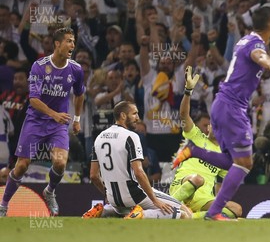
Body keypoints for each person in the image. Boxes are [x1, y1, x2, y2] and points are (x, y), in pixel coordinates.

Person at [173, 6, 270, 220]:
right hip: (233, 108)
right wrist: (269, 63)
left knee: (232, 160)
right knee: (246, 163)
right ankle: (214, 213)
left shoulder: (244, 40)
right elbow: (259, 55)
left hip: (222, 104)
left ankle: (194, 150)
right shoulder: (255, 44)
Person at [0, 27, 85, 217]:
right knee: (22, 165)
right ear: (57, 44)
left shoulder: (76, 69)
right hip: (36, 121)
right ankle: (4, 204)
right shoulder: (39, 66)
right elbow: (33, 100)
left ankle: (50, 191)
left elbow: (80, 95)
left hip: (58, 125)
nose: (72, 45)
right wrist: (54, 114)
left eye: (73, 41)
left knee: (60, 162)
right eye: (68, 41)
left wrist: (77, 119)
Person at [85, 101, 191, 219]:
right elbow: (139, 172)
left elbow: (93, 175)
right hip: (135, 195)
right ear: (123, 116)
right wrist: (155, 200)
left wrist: (107, 194)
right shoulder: (131, 136)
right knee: (185, 213)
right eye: (134, 114)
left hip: (113, 200)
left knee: (123, 211)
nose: (138, 118)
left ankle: (104, 211)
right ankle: (141, 214)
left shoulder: (99, 138)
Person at [169, 67, 242, 219]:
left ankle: (190, 217)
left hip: (203, 199)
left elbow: (226, 182)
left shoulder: (223, 155)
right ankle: (170, 208)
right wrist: (188, 91)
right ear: (208, 127)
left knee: (236, 209)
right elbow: (183, 115)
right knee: (197, 178)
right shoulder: (196, 136)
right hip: (184, 186)